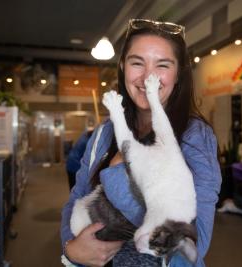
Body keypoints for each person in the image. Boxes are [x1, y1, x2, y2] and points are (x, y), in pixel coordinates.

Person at [60, 18, 222, 267]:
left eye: (163, 65)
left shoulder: (195, 136)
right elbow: (77, 197)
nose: (148, 76)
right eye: (137, 63)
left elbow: (194, 241)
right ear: (123, 67)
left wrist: (117, 174)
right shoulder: (105, 132)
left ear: (178, 74)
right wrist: (71, 251)